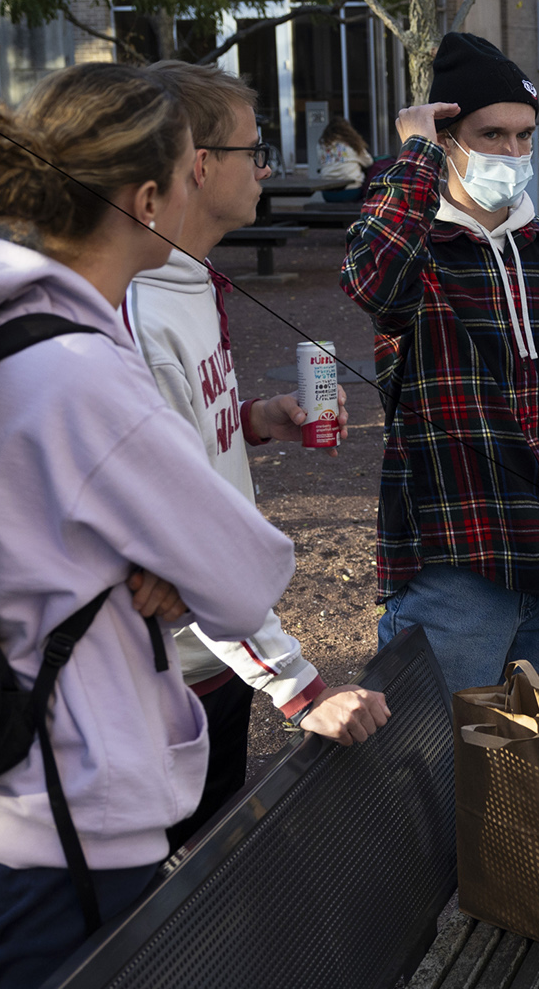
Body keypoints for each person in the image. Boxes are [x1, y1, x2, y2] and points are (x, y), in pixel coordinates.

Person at [0, 63, 298, 988]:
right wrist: (175, 559)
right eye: (186, 168)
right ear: (149, 198)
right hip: (67, 803)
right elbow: (245, 574)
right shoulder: (82, 374)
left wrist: (159, 556)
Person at [132, 61, 389, 854]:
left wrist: (250, 420)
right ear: (199, 166)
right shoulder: (137, 303)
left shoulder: (188, 273)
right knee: (158, 917)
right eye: (255, 149)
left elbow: (179, 439)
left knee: (202, 874)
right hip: (162, 676)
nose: (269, 168)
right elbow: (178, 533)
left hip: (213, 663)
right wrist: (302, 689)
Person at [343, 32, 539, 695]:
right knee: (436, 776)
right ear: (448, 138)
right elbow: (370, 281)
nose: (512, 153)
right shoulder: (415, 246)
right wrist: (416, 155)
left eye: (523, 136)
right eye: (491, 135)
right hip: (454, 562)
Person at [316, 117, 374, 203]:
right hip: (351, 192)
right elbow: (369, 162)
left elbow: (321, 163)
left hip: (328, 193)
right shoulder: (353, 143)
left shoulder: (322, 144)